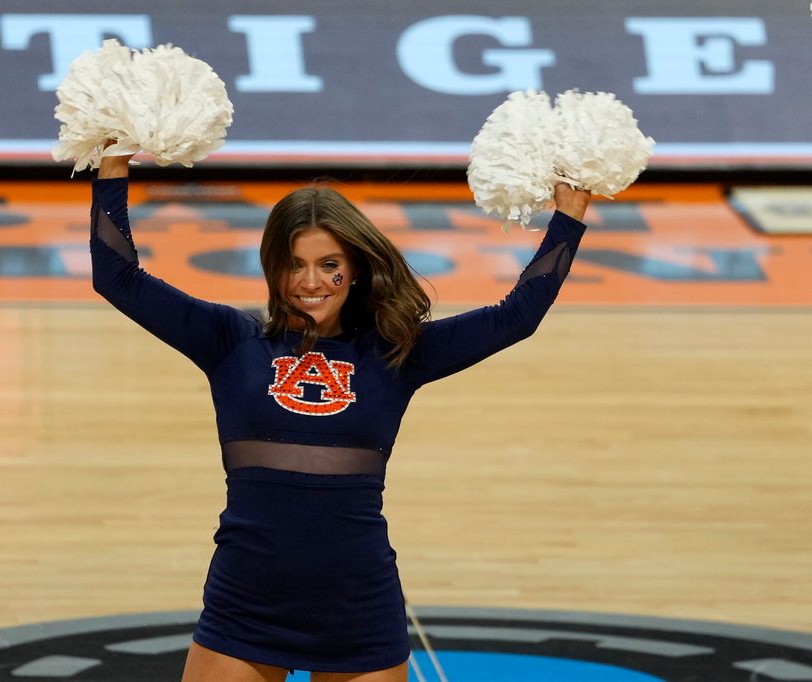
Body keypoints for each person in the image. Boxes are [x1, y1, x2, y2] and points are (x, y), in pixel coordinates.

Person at [91, 151, 591, 682]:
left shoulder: (397, 352)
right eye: (294, 264)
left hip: (358, 611)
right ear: (271, 267)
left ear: (354, 269)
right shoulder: (229, 341)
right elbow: (116, 276)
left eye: (329, 265)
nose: (311, 282)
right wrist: (113, 164)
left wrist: (570, 215)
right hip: (246, 606)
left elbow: (517, 316)